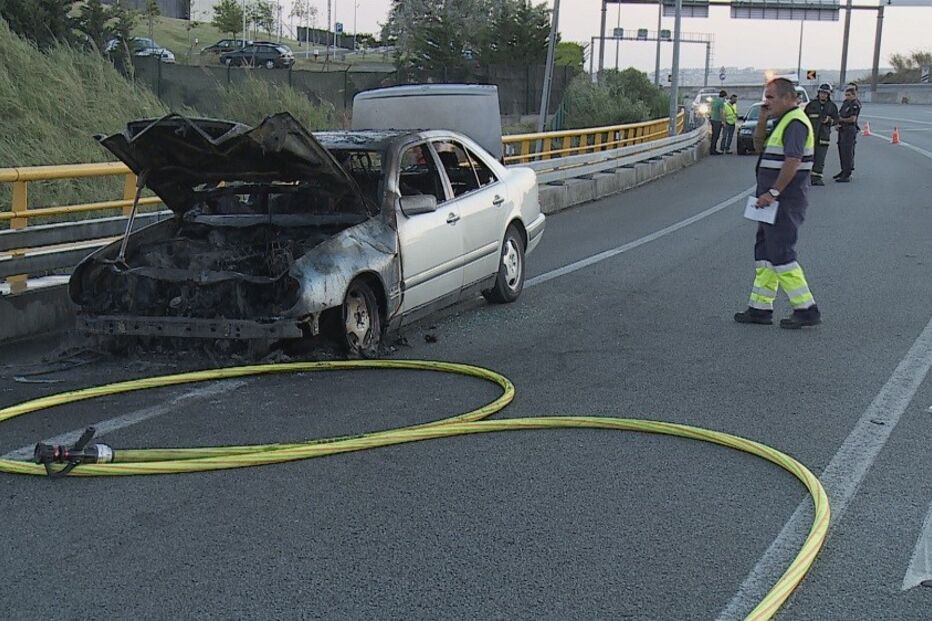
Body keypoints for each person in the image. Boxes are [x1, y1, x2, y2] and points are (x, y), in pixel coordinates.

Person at [734, 78, 821, 329]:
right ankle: (760, 308)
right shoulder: (782, 121)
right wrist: (762, 119)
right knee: (765, 252)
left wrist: (773, 192)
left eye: (771, 97)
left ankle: (806, 309)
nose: (766, 102)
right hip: (770, 202)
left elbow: (793, 160)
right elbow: (758, 146)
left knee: (781, 252)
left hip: (785, 200)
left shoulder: (795, 122)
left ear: (788, 98)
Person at [803, 83, 839, 185]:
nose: (823, 95)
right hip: (811, 137)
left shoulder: (832, 107)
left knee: (820, 158)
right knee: (808, 158)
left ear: (829, 94)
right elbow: (804, 118)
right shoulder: (811, 105)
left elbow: (837, 120)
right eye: (822, 93)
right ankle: (805, 178)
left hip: (823, 137)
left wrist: (829, 120)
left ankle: (817, 178)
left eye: (825, 93)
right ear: (818, 93)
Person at [835, 86, 861, 182]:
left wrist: (841, 120)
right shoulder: (846, 103)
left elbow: (852, 119)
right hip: (842, 129)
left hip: (849, 129)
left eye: (849, 95)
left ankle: (847, 173)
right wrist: (838, 123)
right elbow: (840, 113)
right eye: (846, 95)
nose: (847, 97)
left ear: (854, 95)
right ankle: (843, 170)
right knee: (842, 150)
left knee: (847, 152)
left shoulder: (855, 104)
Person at [709, 90, 727, 155]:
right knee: (716, 136)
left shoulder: (714, 100)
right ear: (724, 96)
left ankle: (712, 149)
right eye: (725, 97)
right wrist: (724, 122)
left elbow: (710, 109)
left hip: (712, 119)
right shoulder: (721, 103)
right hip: (717, 120)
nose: (725, 99)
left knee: (714, 135)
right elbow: (721, 112)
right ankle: (713, 150)